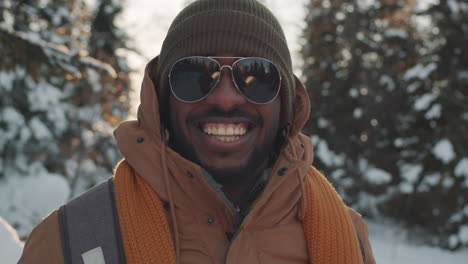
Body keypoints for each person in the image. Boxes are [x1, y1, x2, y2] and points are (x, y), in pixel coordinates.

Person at [19, 0, 375, 263]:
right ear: (161, 100)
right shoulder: (69, 242)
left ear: (285, 104)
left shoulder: (347, 237)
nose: (224, 97)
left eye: (256, 76)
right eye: (194, 76)